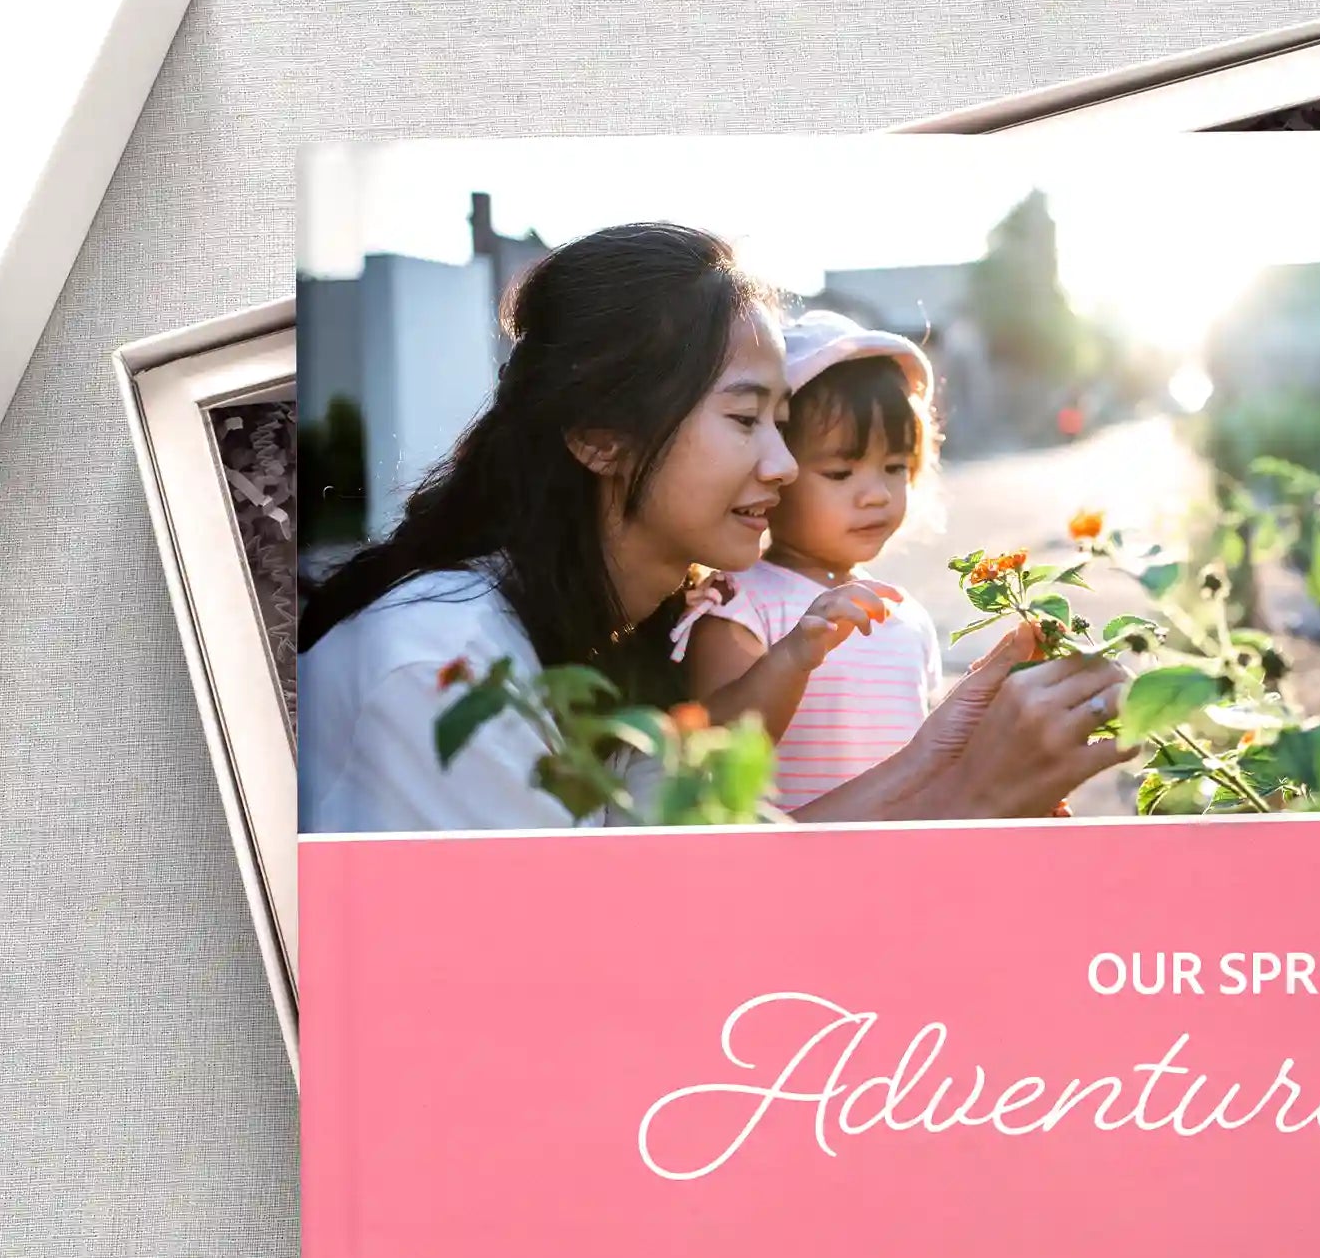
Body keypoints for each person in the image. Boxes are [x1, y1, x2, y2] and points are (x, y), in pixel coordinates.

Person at [297, 223, 1130, 832]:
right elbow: (625, 963)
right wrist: (971, 797)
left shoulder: (629, 636)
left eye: (784, 422)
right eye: (746, 419)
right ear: (599, 436)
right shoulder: (441, 671)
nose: (782, 465)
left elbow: (718, 870)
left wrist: (942, 753)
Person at [671, 311, 942, 810]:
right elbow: (715, 748)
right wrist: (793, 657)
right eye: (841, 472)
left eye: (895, 467)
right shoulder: (740, 600)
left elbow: (927, 761)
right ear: (774, 473)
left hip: (897, 872)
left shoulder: (908, 615)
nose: (876, 494)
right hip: (785, 877)